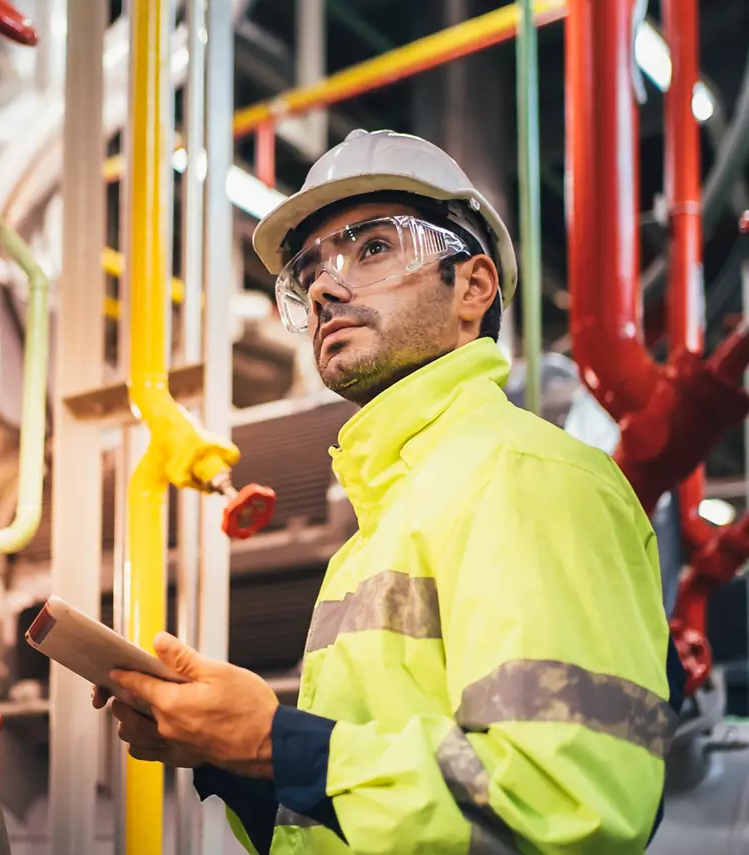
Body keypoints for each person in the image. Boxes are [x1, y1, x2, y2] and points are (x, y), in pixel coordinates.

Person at [92, 129, 684, 854]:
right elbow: (360, 828)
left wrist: (276, 744)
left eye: (372, 247)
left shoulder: (529, 476)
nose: (324, 288)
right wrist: (234, 757)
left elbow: (570, 807)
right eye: (306, 272)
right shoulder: (378, 533)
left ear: (473, 287)